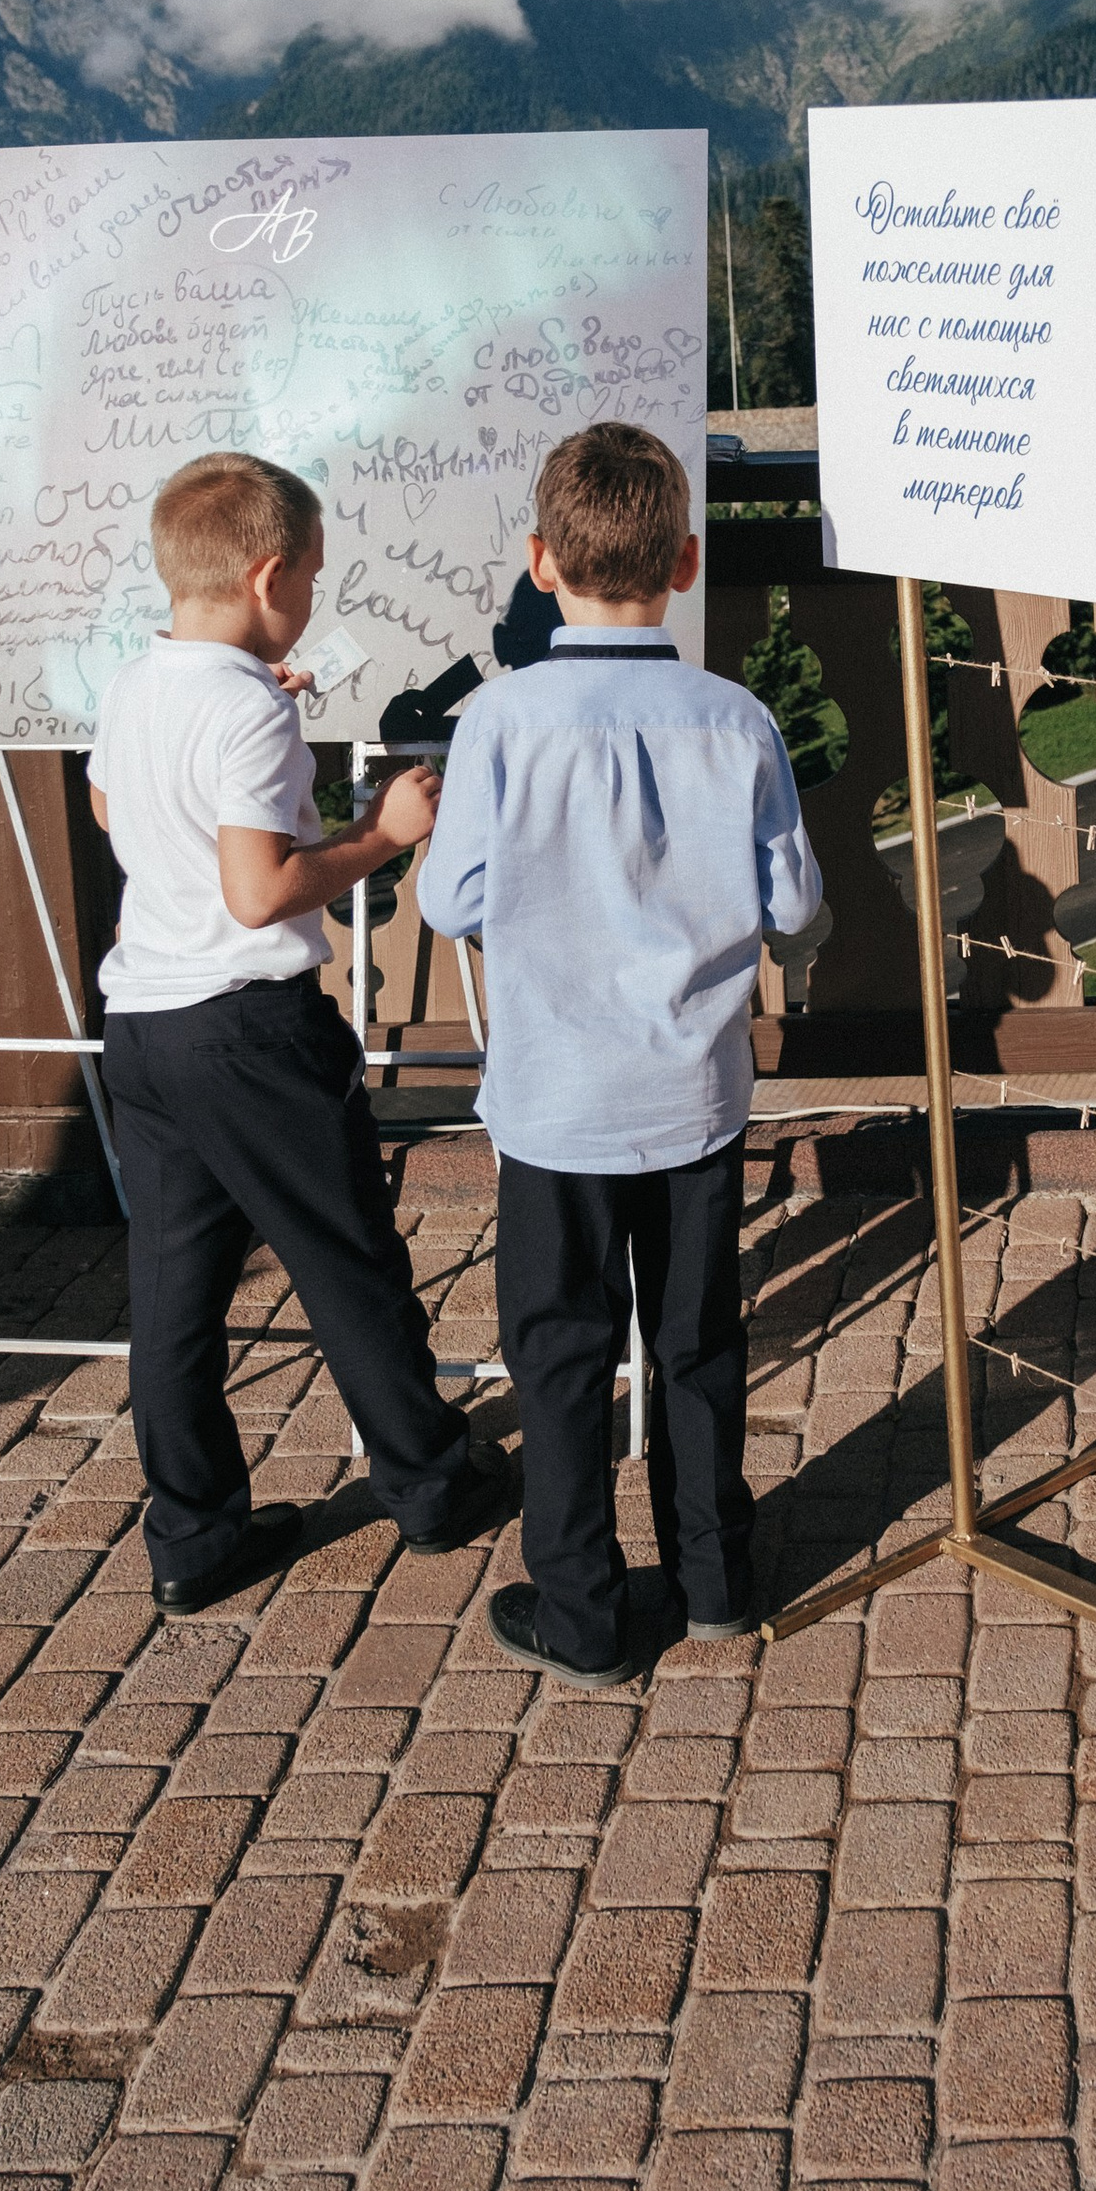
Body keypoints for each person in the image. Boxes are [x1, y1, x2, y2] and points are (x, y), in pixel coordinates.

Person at [419, 420, 822, 1684]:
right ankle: (715, 1579)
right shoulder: (735, 718)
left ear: (542, 562)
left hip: (555, 1102)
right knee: (697, 1342)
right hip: (693, 1090)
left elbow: (451, 899)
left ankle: (584, 1612)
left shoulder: (503, 717)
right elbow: (794, 902)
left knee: (560, 1354)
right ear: (686, 562)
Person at [88, 452, 516, 1615]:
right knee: (346, 1262)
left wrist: (248, 741)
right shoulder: (244, 710)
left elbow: (112, 806)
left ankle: (191, 1536)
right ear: (269, 573)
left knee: (175, 1293)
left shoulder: (140, 684)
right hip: (251, 1028)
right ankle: (431, 1486)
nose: (316, 597)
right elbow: (259, 892)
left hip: (144, 1025)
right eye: (313, 576)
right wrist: (384, 834)